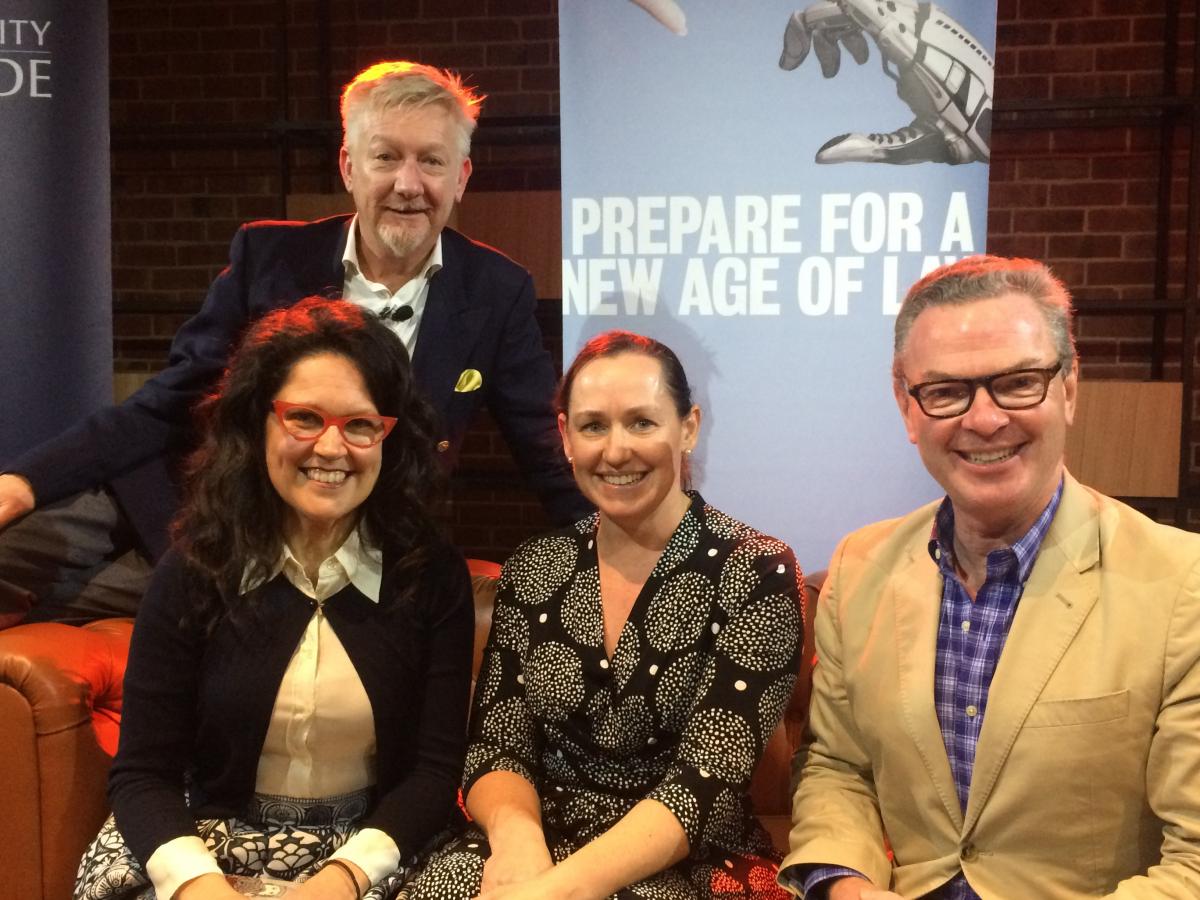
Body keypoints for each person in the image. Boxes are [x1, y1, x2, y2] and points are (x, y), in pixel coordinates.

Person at [0, 59, 586, 628]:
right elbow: (168, 400)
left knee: (73, 604)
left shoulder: (497, 290)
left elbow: (544, 445)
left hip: (275, 545)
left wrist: (632, 553)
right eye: (385, 157)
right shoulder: (269, 255)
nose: (408, 185)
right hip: (168, 495)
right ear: (348, 166)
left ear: (460, 178)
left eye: (431, 161)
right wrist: (25, 482)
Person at [779, 256, 1200, 899]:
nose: (983, 419)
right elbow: (840, 769)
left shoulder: (1181, 585)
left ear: (1069, 387)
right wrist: (848, 884)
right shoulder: (861, 567)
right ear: (907, 406)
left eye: (1019, 382)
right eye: (946, 391)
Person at [73, 298, 475, 900]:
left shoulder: (432, 574)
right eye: (304, 418)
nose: (332, 449)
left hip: (371, 849)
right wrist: (198, 885)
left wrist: (340, 881)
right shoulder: (193, 569)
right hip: (207, 839)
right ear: (258, 422)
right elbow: (142, 775)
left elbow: (433, 773)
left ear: (390, 438)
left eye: (360, 424)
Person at [406, 330, 803, 900]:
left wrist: (553, 892)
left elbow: (705, 783)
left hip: (681, 857)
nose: (615, 451)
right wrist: (519, 846)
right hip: (540, 842)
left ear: (688, 427)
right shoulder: (536, 565)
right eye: (593, 426)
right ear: (566, 437)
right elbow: (498, 745)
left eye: (642, 422)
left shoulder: (756, 571)